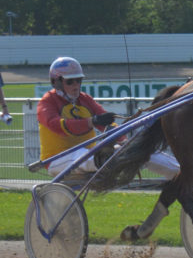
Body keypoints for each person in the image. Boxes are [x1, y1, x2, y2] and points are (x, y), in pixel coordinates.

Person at [37, 56, 180, 179]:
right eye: (70, 81)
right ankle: (102, 159)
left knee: (139, 149)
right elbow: (56, 124)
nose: (76, 85)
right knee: (82, 153)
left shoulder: (85, 100)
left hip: (90, 156)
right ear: (56, 82)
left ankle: (182, 172)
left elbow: (106, 124)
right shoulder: (47, 101)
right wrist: (91, 122)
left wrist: (124, 140)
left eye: (78, 80)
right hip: (57, 159)